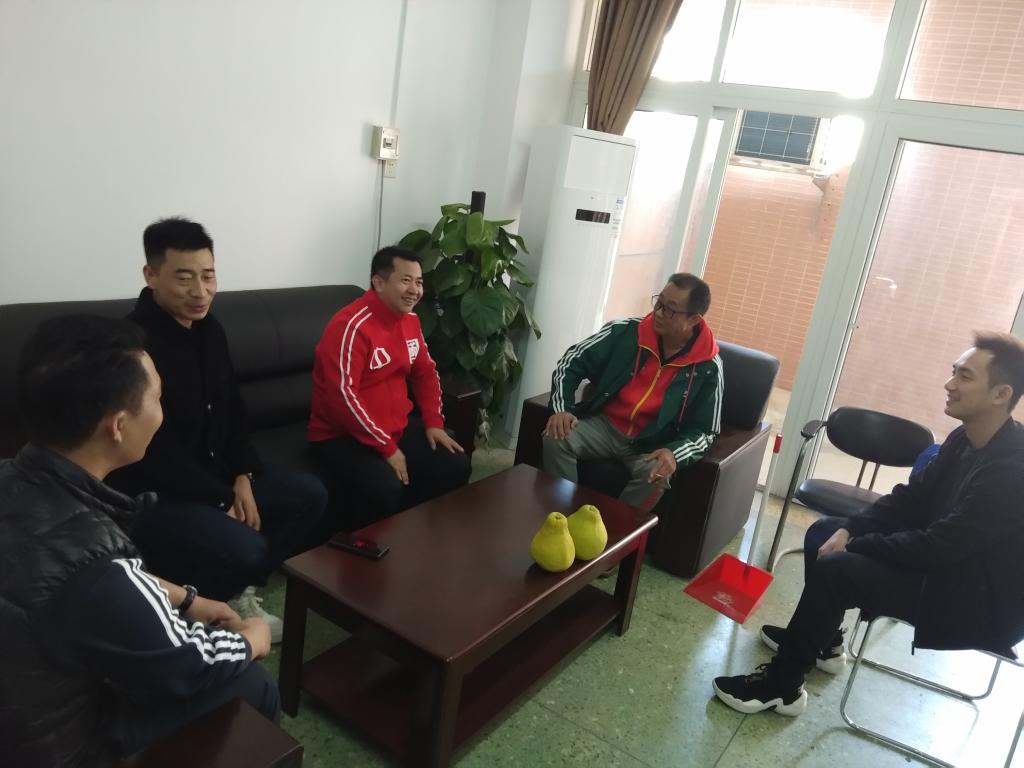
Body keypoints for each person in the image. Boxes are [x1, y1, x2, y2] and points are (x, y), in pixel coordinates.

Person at [0, 315, 278, 767]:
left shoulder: (13, 477)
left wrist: (187, 599)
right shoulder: (96, 564)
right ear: (118, 425)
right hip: (56, 745)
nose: (161, 411)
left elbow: (64, 575)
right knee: (253, 682)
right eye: (157, 398)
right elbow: (187, 664)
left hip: (23, 695)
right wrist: (253, 639)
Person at [713, 331, 1024, 717]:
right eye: (953, 372)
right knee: (825, 532)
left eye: (964, 376)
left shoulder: (1012, 471)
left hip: (974, 600)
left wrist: (858, 545)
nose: (949, 384)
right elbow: (910, 498)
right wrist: (851, 529)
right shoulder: (966, 437)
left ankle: (782, 688)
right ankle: (825, 642)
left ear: (1000, 394)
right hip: (948, 566)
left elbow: (939, 547)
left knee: (837, 568)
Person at [107, 217, 326, 642]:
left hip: (218, 475)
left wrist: (243, 473)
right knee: (246, 543)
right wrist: (220, 497)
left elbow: (232, 409)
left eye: (208, 276)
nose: (200, 291)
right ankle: (195, 608)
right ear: (151, 275)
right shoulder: (131, 344)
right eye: (184, 278)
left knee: (309, 495)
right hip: (155, 491)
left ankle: (227, 590)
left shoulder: (211, 330)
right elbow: (150, 450)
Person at [308, 246, 471, 529]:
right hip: (342, 436)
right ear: (379, 282)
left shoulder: (410, 321)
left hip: (395, 427)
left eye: (419, 282)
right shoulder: (350, 326)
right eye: (406, 280)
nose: (415, 290)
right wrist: (386, 448)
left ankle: (416, 535)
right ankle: (363, 548)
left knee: (455, 464)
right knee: (385, 488)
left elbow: (425, 372)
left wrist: (434, 422)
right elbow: (343, 397)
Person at [542, 273, 723, 509]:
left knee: (657, 474)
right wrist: (561, 409)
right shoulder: (627, 332)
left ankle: (619, 530)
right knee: (556, 437)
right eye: (659, 302)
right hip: (605, 426)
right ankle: (561, 516)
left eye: (670, 309)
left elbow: (705, 431)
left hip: (651, 442)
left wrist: (674, 453)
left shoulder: (709, 367)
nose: (659, 313)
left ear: (693, 320)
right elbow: (571, 361)